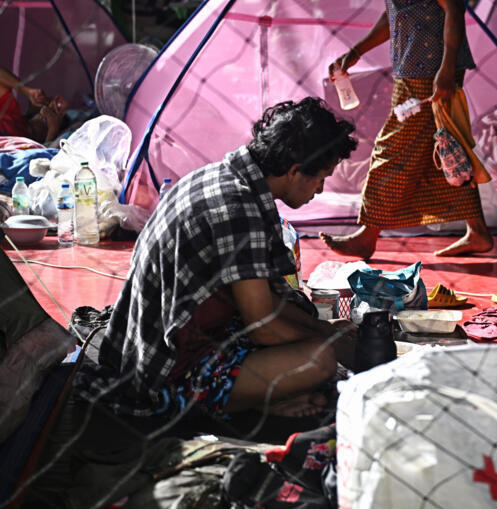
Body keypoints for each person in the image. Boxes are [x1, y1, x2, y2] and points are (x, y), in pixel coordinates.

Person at [76, 97, 358, 420]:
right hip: (163, 374)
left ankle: (255, 396)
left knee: (311, 336)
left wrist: (323, 327)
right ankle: (247, 403)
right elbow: (263, 328)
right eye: (320, 179)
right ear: (295, 172)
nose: (320, 191)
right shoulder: (238, 210)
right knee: (318, 361)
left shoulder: (224, 178)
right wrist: (329, 341)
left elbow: (264, 304)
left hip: (163, 340)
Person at [320, 0, 493, 259]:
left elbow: (453, 10)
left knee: (390, 149)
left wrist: (446, 73)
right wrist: (358, 50)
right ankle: (478, 232)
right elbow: (395, 13)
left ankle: (367, 234)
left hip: (426, 75)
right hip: (414, 72)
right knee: (445, 147)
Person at [0, 65, 67, 144]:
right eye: (47, 104)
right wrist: (28, 91)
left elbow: (42, 153)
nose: (48, 113)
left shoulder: (29, 144)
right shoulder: (12, 115)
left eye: (53, 114)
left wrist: (53, 131)